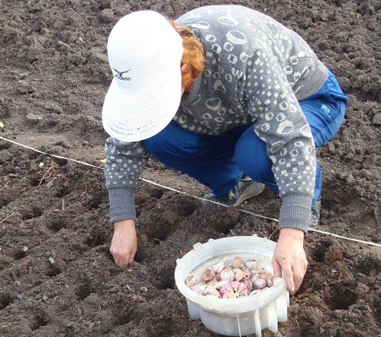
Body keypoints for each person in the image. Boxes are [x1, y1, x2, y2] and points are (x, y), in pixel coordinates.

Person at [101, 5, 348, 294]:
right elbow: (124, 141)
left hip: (307, 99)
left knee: (255, 153)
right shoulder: (141, 62)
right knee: (158, 137)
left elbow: (290, 138)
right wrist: (123, 223)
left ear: (182, 68)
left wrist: (292, 232)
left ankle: (309, 194)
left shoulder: (241, 54)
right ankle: (236, 183)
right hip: (238, 112)